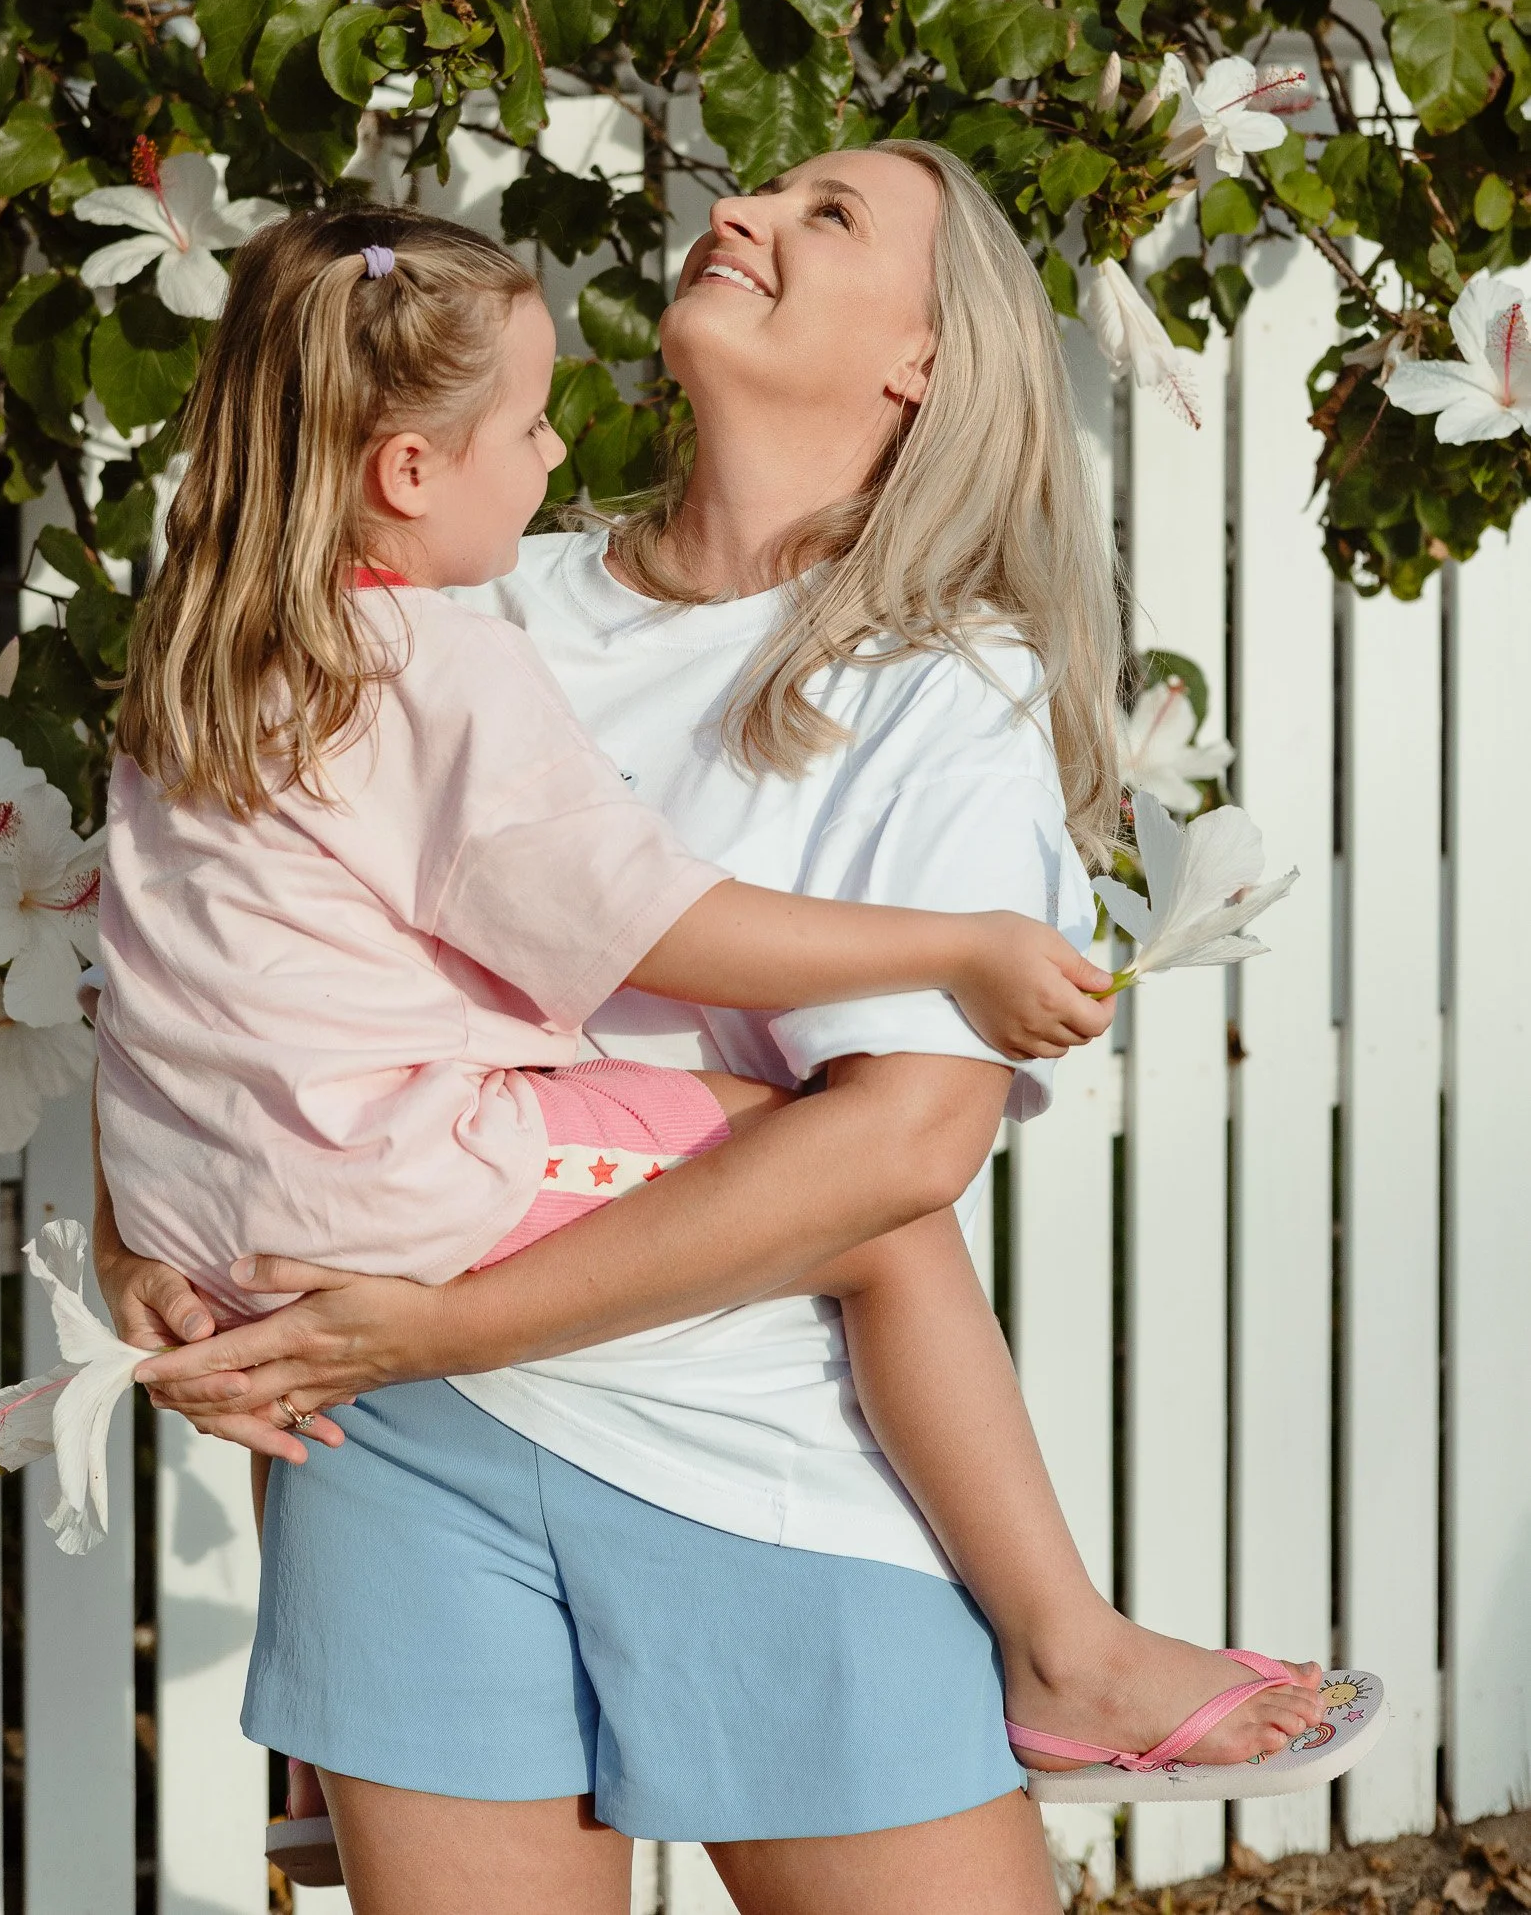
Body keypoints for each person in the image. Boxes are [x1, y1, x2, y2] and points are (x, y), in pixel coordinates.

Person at [105, 148, 1329, 1915]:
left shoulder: (935, 687)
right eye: (760, 190)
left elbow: (905, 1148)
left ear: (923, 358)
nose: (743, 212)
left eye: (829, 216)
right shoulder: (466, 606)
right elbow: (205, 927)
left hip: (750, 1467)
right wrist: (140, 1219)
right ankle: (1078, 1647)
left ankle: (1066, 1653)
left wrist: (421, 1326)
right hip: (403, 1464)